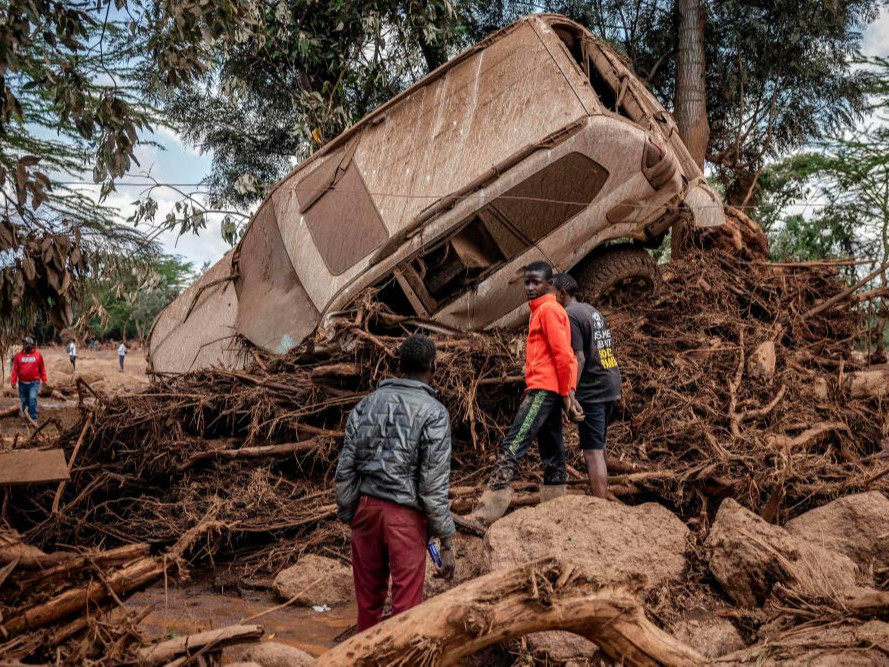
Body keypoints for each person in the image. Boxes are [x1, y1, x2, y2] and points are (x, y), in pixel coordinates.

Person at [335, 334, 456, 632]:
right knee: (406, 612)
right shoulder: (434, 413)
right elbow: (432, 484)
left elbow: (346, 468)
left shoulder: (366, 405)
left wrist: (351, 514)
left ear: (400, 365)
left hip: (365, 512)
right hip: (406, 519)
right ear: (432, 366)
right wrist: (447, 541)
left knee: (368, 608)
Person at [468, 260, 579, 527]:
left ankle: (486, 514)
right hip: (549, 389)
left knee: (513, 444)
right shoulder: (542, 310)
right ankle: (555, 510)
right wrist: (566, 393)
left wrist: (567, 394)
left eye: (535, 282)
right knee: (552, 451)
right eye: (527, 282)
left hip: (544, 389)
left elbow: (564, 356)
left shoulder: (548, 311)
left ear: (549, 284)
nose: (529, 287)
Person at [554, 273, 622, 499]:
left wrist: (570, 394)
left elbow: (579, 358)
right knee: (599, 447)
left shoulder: (569, 314)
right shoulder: (591, 310)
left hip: (594, 389)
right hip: (610, 383)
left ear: (562, 294)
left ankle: (599, 510)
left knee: (592, 452)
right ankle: (601, 496)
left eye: (552, 293)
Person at [11, 337, 47, 425]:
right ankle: (26, 419)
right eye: (24, 344)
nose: (25, 345)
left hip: (34, 383)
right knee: (23, 401)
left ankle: (33, 418)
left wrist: (44, 379)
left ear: (31, 345)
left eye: (27, 344)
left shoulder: (38, 355)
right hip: (22, 384)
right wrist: (13, 381)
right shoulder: (18, 356)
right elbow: (15, 369)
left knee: (32, 399)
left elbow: (42, 368)